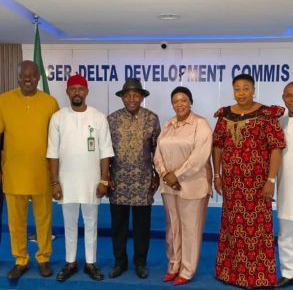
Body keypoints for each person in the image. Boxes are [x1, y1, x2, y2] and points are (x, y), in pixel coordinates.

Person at [213, 73, 285, 289]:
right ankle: (230, 273)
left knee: (257, 230)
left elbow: (276, 148)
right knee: (233, 227)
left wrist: (271, 179)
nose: (241, 92)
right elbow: (217, 145)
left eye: (246, 88)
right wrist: (217, 175)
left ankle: (256, 277)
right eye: (237, 88)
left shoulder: (266, 114)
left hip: (257, 185)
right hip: (232, 185)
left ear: (254, 89)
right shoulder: (224, 115)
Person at [46, 73, 114, 282]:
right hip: (66, 183)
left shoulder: (98, 117)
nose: (77, 92)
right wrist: (55, 182)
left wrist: (104, 180)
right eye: (73, 88)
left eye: (80, 88)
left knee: (91, 223)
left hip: (92, 182)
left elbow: (105, 151)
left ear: (87, 91)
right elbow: (52, 153)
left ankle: (90, 263)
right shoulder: (58, 118)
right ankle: (70, 262)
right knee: (69, 224)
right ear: (67, 92)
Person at [0, 60, 59, 280]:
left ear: (39, 77)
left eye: (32, 75)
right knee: (16, 221)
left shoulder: (50, 103)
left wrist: (56, 175)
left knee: (44, 218)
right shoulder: (3, 101)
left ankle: (43, 258)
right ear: (17, 77)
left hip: (41, 173)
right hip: (13, 173)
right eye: (24, 75)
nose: (28, 79)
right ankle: (20, 259)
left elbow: (56, 140)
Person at [154, 86, 212, 286]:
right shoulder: (168, 125)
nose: (180, 104)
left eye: (184, 100)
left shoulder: (200, 124)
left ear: (191, 102)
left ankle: (187, 270)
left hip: (192, 185)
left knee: (190, 229)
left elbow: (199, 157)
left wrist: (176, 175)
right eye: (176, 101)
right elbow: (158, 153)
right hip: (169, 187)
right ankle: (173, 264)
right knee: (173, 227)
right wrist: (164, 174)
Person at [107, 78, 161, 279]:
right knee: (118, 226)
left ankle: (140, 263)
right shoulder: (111, 120)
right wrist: (105, 177)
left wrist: (156, 175)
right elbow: (105, 151)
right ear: (122, 98)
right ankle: (119, 262)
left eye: (135, 95)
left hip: (143, 181)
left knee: (141, 227)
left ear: (141, 97)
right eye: (127, 95)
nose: (131, 98)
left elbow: (157, 150)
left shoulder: (151, 119)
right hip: (118, 181)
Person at [277, 82, 293, 288]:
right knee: (286, 230)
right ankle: (289, 272)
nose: (291, 98)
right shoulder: (277, 123)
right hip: (285, 185)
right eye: (288, 95)